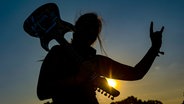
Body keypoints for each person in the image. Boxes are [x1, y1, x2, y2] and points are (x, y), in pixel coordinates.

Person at [36, 13, 164, 104]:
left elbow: (136, 73)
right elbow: (42, 92)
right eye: (86, 27)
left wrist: (154, 48)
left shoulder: (96, 61)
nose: (90, 33)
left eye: (94, 30)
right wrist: (78, 78)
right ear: (75, 30)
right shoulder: (58, 53)